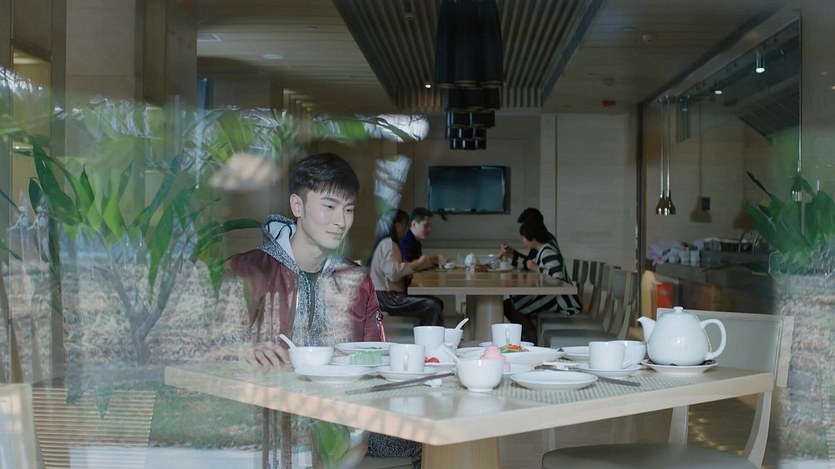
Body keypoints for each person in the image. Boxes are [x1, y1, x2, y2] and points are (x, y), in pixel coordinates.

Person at [229, 153, 421, 467]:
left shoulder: (356, 280)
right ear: (297, 206)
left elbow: (376, 356)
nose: (341, 221)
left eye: (349, 209)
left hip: (346, 417)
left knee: (428, 435)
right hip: (270, 419)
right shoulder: (249, 271)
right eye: (329, 207)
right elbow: (204, 348)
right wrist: (240, 350)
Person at [503, 221, 582, 344]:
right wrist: (514, 255)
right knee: (513, 303)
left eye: (524, 237)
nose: (523, 240)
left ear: (533, 238)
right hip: (551, 296)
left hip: (562, 301)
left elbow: (558, 278)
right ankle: (528, 339)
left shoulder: (548, 252)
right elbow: (528, 265)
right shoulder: (543, 250)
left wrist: (537, 268)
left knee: (513, 306)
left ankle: (530, 340)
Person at [368, 209, 444, 326]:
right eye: (405, 224)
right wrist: (416, 265)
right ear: (398, 225)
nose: (407, 228)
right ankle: (428, 336)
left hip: (386, 296)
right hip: (387, 298)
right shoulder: (388, 243)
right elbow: (393, 273)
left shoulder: (387, 243)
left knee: (435, 303)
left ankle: (423, 334)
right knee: (432, 305)